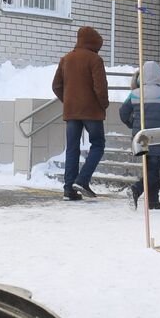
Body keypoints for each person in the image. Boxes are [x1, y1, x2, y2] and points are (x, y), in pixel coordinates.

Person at [51, 26, 110, 200]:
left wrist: (69, 101)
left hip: (71, 112)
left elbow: (56, 86)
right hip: (91, 112)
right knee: (98, 145)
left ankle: (69, 190)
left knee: (72, 149)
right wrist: (103, 104)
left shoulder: (66, 59)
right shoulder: (95, 60)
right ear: (93, 43)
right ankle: (82, 180)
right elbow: (100, 87)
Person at [120, 61, 160, 210]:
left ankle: (153, 200)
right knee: (154, 169)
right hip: (157, 136)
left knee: (149, 168)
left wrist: (131, 124)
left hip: (141, 136)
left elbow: (123, 113)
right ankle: (136, 189)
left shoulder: (135, 93)